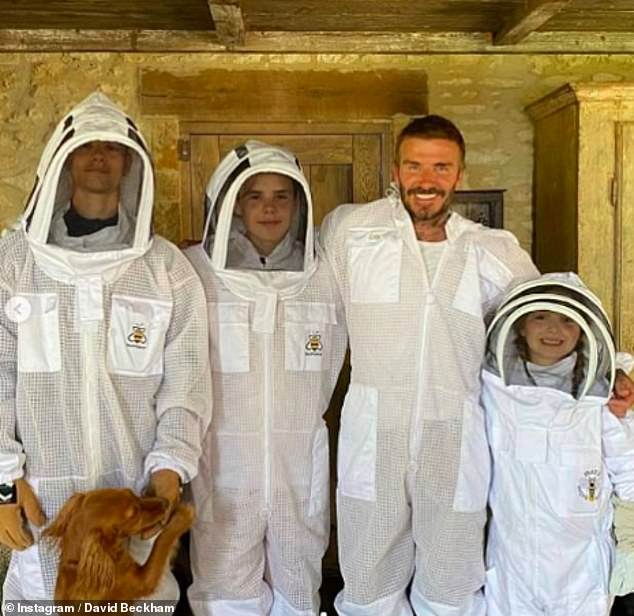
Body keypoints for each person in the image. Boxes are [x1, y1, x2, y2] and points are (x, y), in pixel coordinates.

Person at [319, 115, 634, 616]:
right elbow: (306, 297)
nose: (427, 180)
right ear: (396, 169)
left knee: (452, 574)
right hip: (373, 428)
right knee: (368, 569)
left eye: (441, 167)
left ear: (460, 174)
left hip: (458, 433)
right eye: (414, 165)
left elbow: (547, 319)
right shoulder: (352, 232)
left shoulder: (493, 250)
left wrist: (609, 371)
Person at [0, 92, 211, 602]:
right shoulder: (13, 261)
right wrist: (3, 483)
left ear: (130, 165)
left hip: (133, 498)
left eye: (112, 148)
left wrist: (169, 468)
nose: (99, 156)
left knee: (141, 601)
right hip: (43, 499)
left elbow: (186, 381)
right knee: (44, 601)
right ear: (64, 160)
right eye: (88, 146)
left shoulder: (164, 270)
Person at [186, 141, 347, 615]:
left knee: (299, 586)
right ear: (232, 204)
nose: (270, 207)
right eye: (254, 196)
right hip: (223, 466)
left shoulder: (327, 276)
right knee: (222, 591)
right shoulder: (195, 272)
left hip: (299, 466)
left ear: (300, 203)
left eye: (282, 195)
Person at [483, 272, 634, 614]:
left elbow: (628, 466)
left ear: (583, 329)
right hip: (512, 559)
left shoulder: (600, 396)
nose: (554, 330)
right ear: (519, 325)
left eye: (568, 320)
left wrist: (631, 540)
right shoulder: (494, 388)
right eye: (540, 317)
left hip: (581, 565)